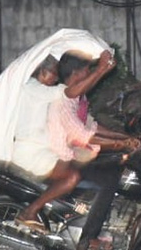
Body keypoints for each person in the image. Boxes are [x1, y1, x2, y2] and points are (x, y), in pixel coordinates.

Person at [11, 51, 117, 232]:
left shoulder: (37, 89)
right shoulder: (34, 89)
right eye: (53, 72)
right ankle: (30, 211)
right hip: (31, 153)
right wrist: (100, 69)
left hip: (41, 150)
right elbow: (69, 93)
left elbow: (86, 117)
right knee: (72, 177)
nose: (56, 78)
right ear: (42, 71)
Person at [48, 52, 141, 250]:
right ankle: (88, 238)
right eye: (86, 70)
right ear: (75, 74)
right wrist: (122, 144)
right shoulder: (62, 101)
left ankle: (106, 219)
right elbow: (84, 136)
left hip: (75, 157)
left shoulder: (77, 99)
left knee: (117, 166)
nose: (89, 74)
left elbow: (93, 126)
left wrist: (123, 137)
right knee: (108, 180)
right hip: (63, 162)